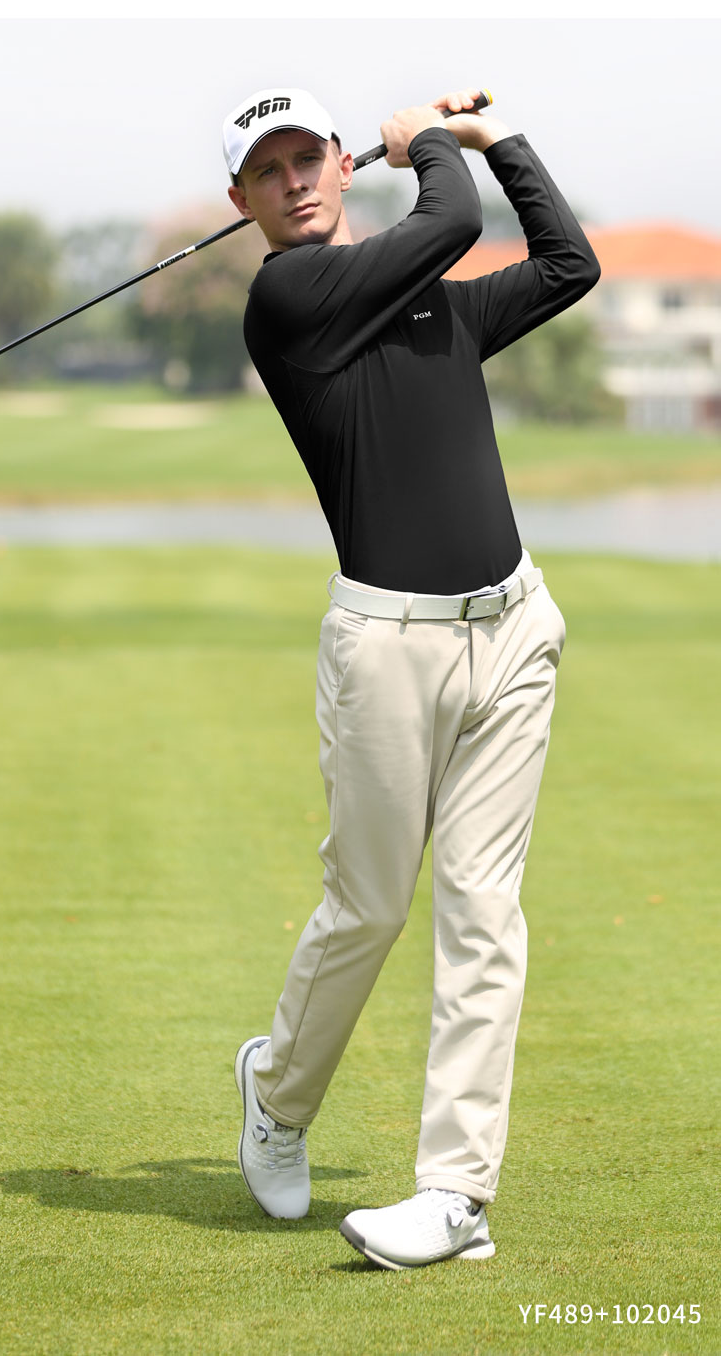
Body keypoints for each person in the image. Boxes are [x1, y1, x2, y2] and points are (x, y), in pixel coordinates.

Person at [221, 85, 600, 1270]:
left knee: (483, 914)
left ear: (340, 167)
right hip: (386, 648)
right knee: (371, 907)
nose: (294, 182)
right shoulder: (288, 299)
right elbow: (448, 220)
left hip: (513, 632)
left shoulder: (434, 303)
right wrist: (428, 143)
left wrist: (498, 139)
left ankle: (454, 1194)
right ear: (243, 199)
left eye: (309, 159)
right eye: (268, 170)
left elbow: (569, 264)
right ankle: (276, 1093)